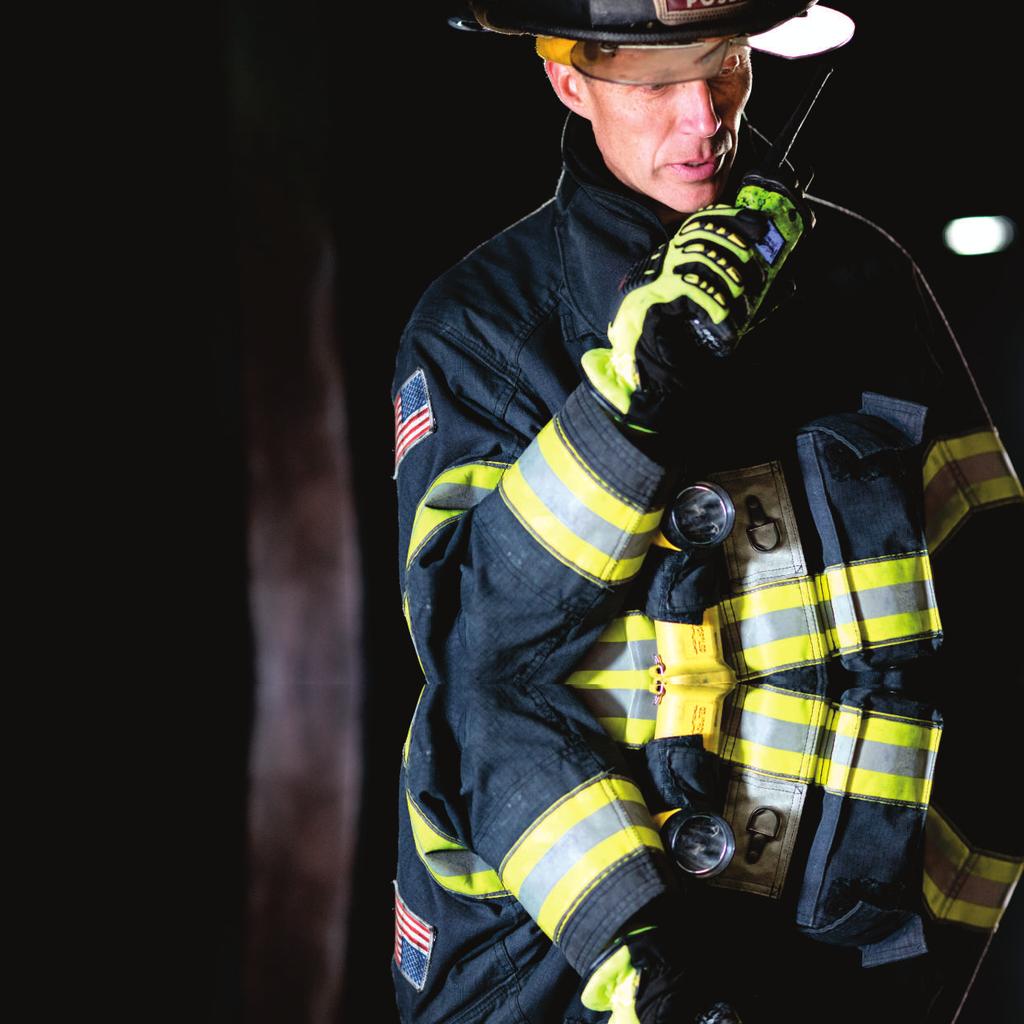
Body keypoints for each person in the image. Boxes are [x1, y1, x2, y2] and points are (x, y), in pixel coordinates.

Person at [389, 3, 1024, 1022]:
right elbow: (473, 659)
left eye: (724, 63)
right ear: (570, 83)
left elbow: (996, 565)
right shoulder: (478, 327)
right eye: (651, 83)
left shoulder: (861, 276)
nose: (703, 118)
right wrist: (624, 412)